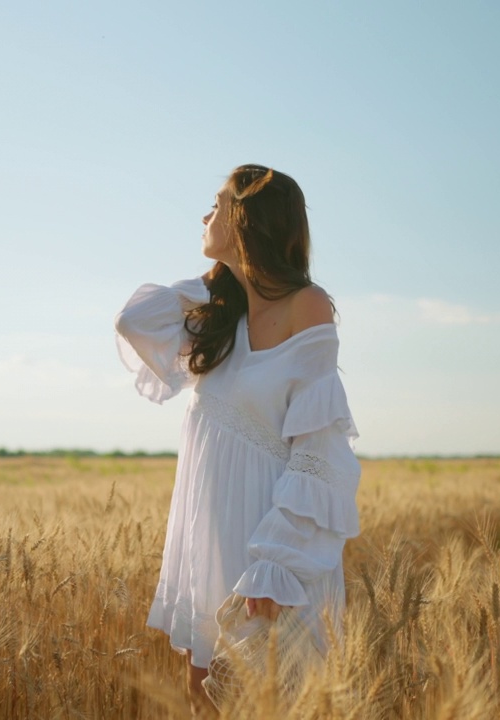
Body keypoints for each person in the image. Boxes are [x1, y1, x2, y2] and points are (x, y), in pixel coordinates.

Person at [113, 164, 362, 714]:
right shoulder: (216, 316)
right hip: (210, 531)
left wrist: (274, 563)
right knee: (204, 697)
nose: (204, 216)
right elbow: (133, 320)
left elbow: (318, 452)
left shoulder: (308, 306)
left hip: (269, 538)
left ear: (247, 218)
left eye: (217, 205)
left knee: (280, 698)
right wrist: (217, 277)